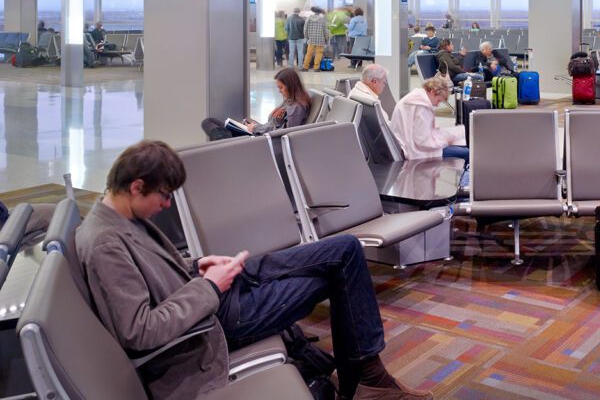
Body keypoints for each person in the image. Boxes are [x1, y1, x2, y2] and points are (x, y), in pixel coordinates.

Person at [76, 140, 429, 400]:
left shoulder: (124, 218)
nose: (166, 205)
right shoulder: (105, 243)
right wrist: (209, 287)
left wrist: (196, 265)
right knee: (341, 265)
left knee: (345, 252)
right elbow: (140, 331)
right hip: (216, 322)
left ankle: (364, 377)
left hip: (213, 297)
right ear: (136, 186)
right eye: (163, 196)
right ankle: (366, 377)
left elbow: (155, 275)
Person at [201, 68, 311, 140]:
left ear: (291, 86)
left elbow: (285, 134)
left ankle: (225, 138)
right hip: (260, 133)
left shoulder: (297, 107)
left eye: (281, 87)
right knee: (210, 121)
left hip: (261, 139)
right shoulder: (290, 101)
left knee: (209, 123)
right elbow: (275, 124)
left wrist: (255, 128)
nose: (279, 91)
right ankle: (225, 137)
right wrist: (254, 125)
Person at [389, 76, 468, 167]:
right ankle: (467, 180)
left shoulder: (416, 98)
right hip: (414, 151)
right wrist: (446, 141)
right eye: (438, 100)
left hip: (406, 145)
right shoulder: (421, 106)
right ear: (433, 92)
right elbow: (423, 142)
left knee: (460, 144)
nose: (437, 105)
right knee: (467, 153)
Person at [302, 6, 330, 72]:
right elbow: (325, 30)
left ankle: (305, 67)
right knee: (319, 53)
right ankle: (316, 67)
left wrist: (307, 37)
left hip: (311, 39)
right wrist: (326, 38)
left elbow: (305, 29)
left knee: (309, 53)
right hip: (320, 39)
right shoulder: (322, 19)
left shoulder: (308, 18)